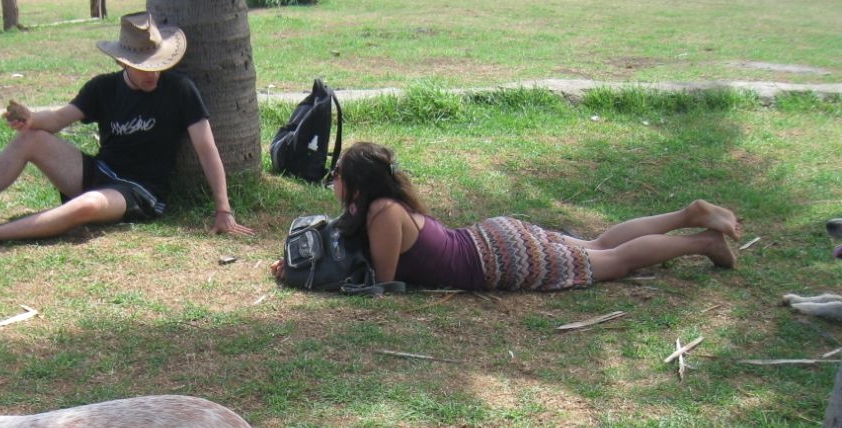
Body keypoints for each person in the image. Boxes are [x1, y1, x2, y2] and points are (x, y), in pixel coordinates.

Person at [0, 11, 254, 251]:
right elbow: (57, 120)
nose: (152, 74)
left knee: (86, 207)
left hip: (140, 190)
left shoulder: (180, 89)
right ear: (123, 62)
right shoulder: (103, 89)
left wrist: (223, 209)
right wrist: (31, 119)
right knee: (30, 139)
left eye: (158, 65)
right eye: (143, 68)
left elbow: (206, 149)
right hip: (100, 171)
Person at [272, 141, 740, 290]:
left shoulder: (379, 214)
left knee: (612, 262)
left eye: (337, 174)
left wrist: (311, 278)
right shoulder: (384, 205)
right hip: (496, 236)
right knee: (598, 244)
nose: (332, 181)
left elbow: (385, 281)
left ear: (357, 183)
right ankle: (687, 213)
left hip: (498, 261)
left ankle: (702, 242)